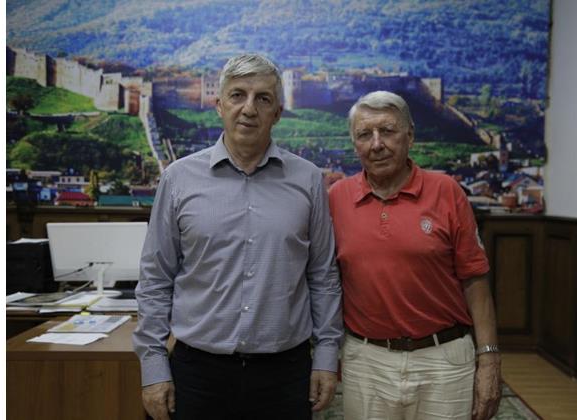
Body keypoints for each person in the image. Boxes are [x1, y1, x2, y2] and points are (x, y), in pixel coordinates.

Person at [133, 53, 343, 420]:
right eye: (237, 95)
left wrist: (326, 357)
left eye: (263, 98)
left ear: (277, 113)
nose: (249, 108)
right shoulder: (178, 179)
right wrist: (153, 367)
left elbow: (323, 276)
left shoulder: (308, 179)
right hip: (197, 374)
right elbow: (155, 279)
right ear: (219, 105)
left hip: (285, 376)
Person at [329, 91, 501, 420]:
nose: (376, 144)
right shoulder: (337, 197)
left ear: (410, 136)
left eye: (387, 131)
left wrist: (489, 359)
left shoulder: (447, 191)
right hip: (367, 362)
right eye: (364, 134)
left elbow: (475, 280)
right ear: (354, 144)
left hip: (443, 360)